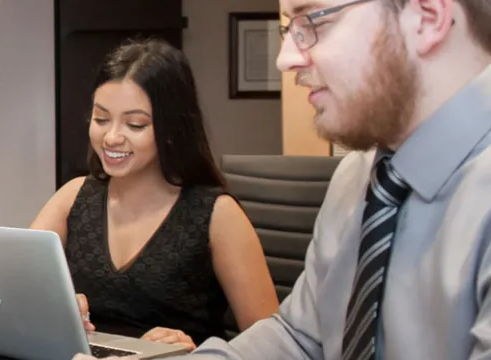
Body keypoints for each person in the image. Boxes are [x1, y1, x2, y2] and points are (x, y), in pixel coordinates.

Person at [80, 0, 491, 359]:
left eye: (314, 22)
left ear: (427, 17)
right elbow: (299, 339)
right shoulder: (358, 177)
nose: (285, 58)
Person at [30, 39, 280, 351]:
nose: (111, 137)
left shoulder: (217, 214)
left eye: (135, 124)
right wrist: (59, 304)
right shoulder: (73, 197)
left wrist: (199, 351)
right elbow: (16, 284)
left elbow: (272, 346)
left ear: (171, 129)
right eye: (101, 119)